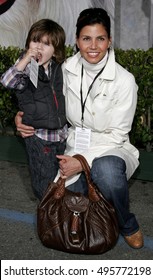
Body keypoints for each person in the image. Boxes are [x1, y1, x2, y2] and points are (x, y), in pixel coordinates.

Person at [14, 8, 143, 249]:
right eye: (86, 38)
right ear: (77, 41)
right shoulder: (64, 69)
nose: (93, 46)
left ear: (109, 41)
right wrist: (20, 118)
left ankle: (127, 223)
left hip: (110, 148)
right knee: (51, 197)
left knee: (106, 173)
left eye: (100, 38)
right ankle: (99, 207)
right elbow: (41, 100)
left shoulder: (124, 80)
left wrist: (82, 162)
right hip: (72, 143)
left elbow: (117, 134)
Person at [0, 19, 68, 199]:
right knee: (44, 185)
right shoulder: (28, 68)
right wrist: (26, 58)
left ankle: (57, 215)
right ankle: (47, 216)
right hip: (39, 137)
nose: (39, 47)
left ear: (56, 51)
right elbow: (7, 81)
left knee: (62, 181)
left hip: (61, 135)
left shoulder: (57, 68)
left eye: (46, 44)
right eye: (35, 41)